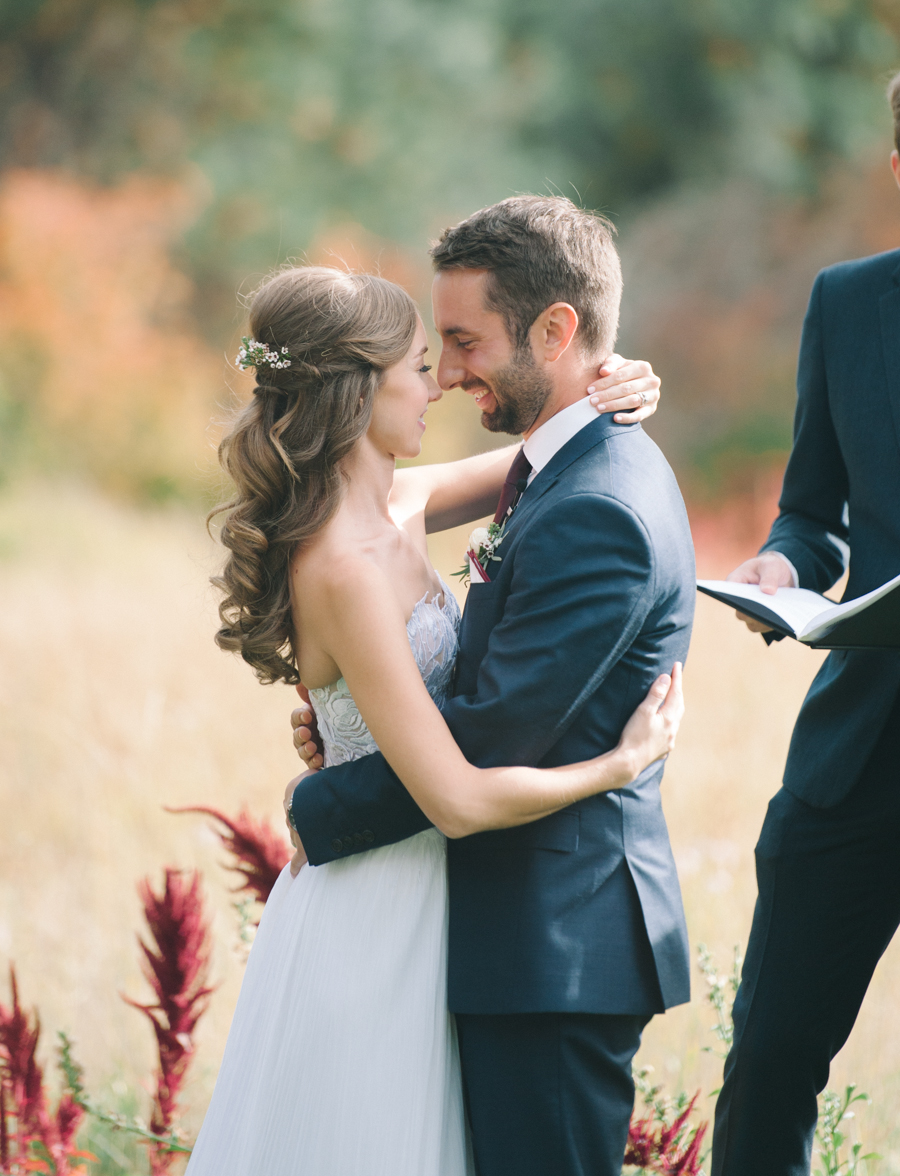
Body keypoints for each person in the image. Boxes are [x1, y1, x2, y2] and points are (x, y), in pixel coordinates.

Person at [187, 255, 684, 1176]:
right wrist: (621, 764)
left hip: (443, 897)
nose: (441, 384)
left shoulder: (403, 503)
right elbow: (454, 799)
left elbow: (550, 456)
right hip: (378, 906)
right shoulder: (339, 565)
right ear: (354, 392)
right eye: (420, 366)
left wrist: (622, 383)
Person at [711, 74, 900, 1176]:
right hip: (853, 762)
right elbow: (813, 511)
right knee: (771, 1059)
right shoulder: (845, 302)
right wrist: (783, 561)